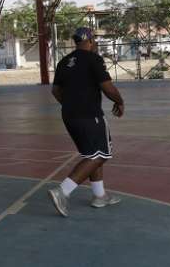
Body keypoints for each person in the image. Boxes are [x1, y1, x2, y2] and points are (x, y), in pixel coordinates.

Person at [48, 27, 126, 217]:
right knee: (101, 155)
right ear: (90, 40)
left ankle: (100, 196)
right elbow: (107, 87)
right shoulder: (94, 59)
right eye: (95, 40)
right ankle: (63, 191)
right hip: (90, 116)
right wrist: (120, 101)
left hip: (68, 115)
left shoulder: (64, 62)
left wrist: (70, 104)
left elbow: (55, 91)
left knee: (92, 154)